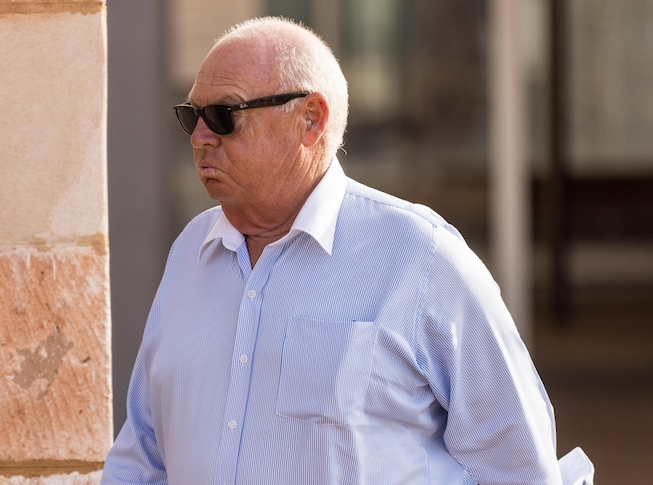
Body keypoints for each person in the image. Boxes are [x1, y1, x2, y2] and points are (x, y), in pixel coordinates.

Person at [102, 16, 562, 485]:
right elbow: (143, 455)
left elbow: (519, 466)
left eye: (223, 115)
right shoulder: (189, 254)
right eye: (190, 117)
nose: (200, 137)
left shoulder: (421, 258)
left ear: (311, 119)